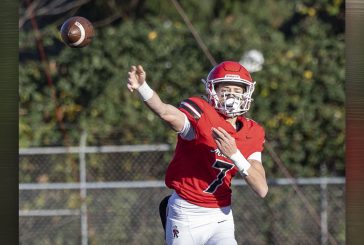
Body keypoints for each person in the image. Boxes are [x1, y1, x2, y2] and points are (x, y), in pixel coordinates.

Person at [127, 61, 268, 245]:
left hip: (221, 215)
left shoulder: (252, 131)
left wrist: (235, 154)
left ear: (246, 93)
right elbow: (164, 111)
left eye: (237, 89)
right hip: (186, 213)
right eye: (225, 89)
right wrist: (143, 88)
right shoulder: (201, 114)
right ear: (212, 91)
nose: (231, 95)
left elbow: (262, 189)